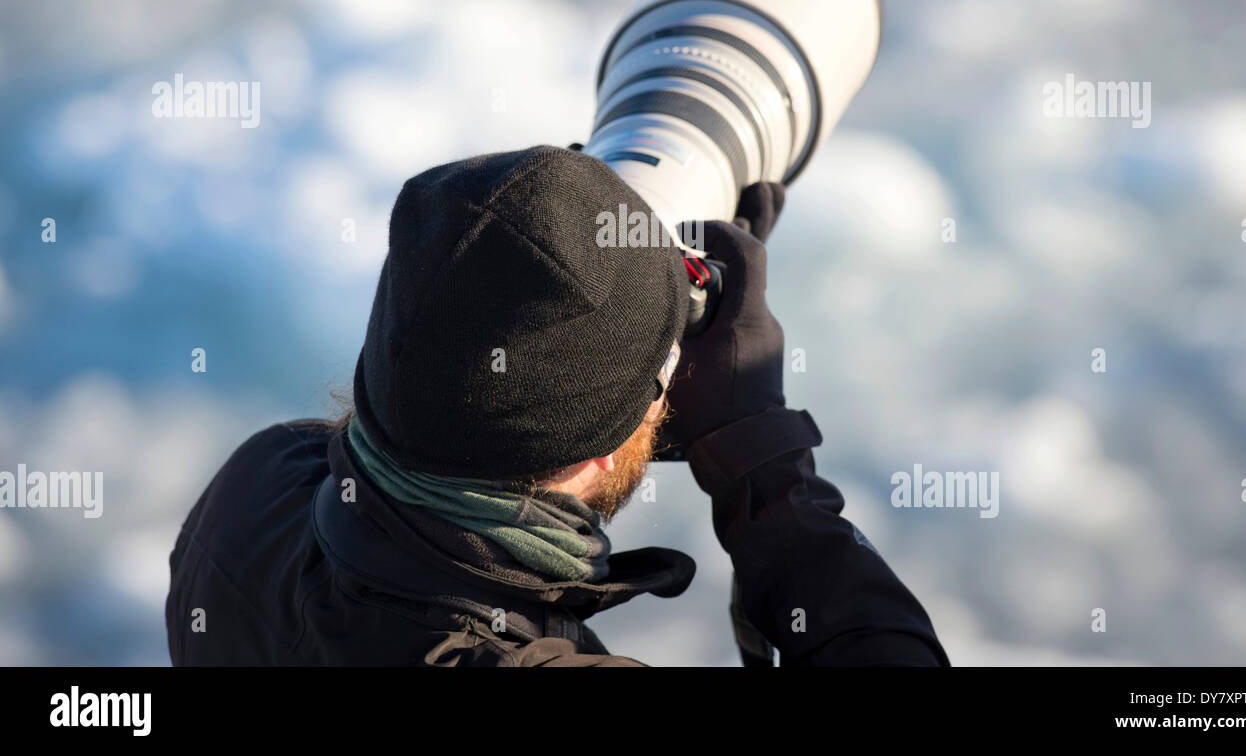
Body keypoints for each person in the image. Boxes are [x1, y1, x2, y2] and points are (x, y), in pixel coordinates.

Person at [165, 144, 948, 666]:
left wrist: (607, 281)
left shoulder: (255, 486)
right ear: (600, 449)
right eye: (671, 367)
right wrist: (764, 472)